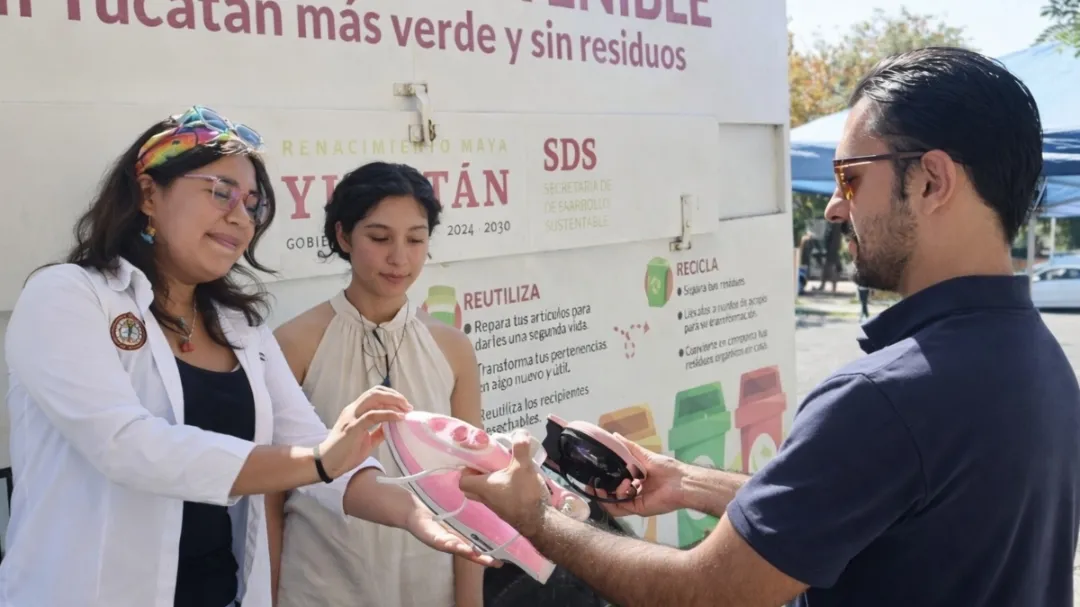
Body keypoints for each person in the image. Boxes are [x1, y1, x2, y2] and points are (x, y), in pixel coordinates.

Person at [455, 47, 1080, 607]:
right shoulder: (1039, 359)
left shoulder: (885, 398)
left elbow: (704, 592)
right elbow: (869, 506)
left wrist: (535, 517)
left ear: (932, 180)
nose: (836, 207)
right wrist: (689, 483)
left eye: (850, 176)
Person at [0, 107, 493, 607]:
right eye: (221, 193)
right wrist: (320, 460)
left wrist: (415, 513)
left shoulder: (241, 329)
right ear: (149, 193)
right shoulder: (67, 295)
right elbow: (125, 446)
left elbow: (313, 448)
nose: (240, 217)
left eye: (252, 204)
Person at [266, 161, 484, 607]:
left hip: (428, 581)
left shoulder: (454, 349)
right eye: (380, 238)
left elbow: (473, 485)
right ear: (344, 236)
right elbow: (271, 492)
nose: (399, 257)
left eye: (416, 239)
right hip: (320, 584)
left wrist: (469, 599)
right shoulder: (293, 344)